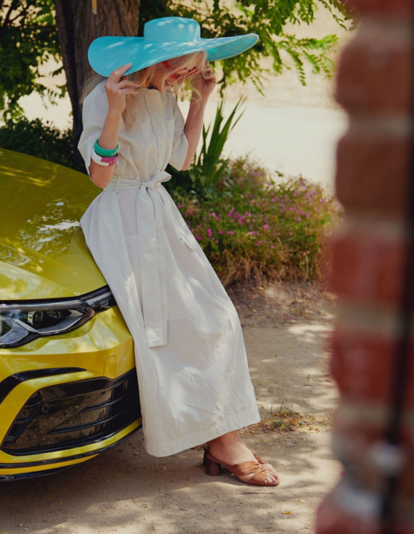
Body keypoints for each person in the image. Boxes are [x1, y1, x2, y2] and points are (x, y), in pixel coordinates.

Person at [77, 17, 279, 487]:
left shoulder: (167, 98)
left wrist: (200, 100)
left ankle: (220, 437)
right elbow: (100, 177)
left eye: (192, 72)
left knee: (218, 316)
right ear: (155, 60)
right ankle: (222, 442)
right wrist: (113, 109)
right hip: (122, 220)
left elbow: (181, 160)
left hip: (158, 215)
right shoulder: (103, 97)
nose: (184, 77)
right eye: (179, 69)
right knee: (165, 331)